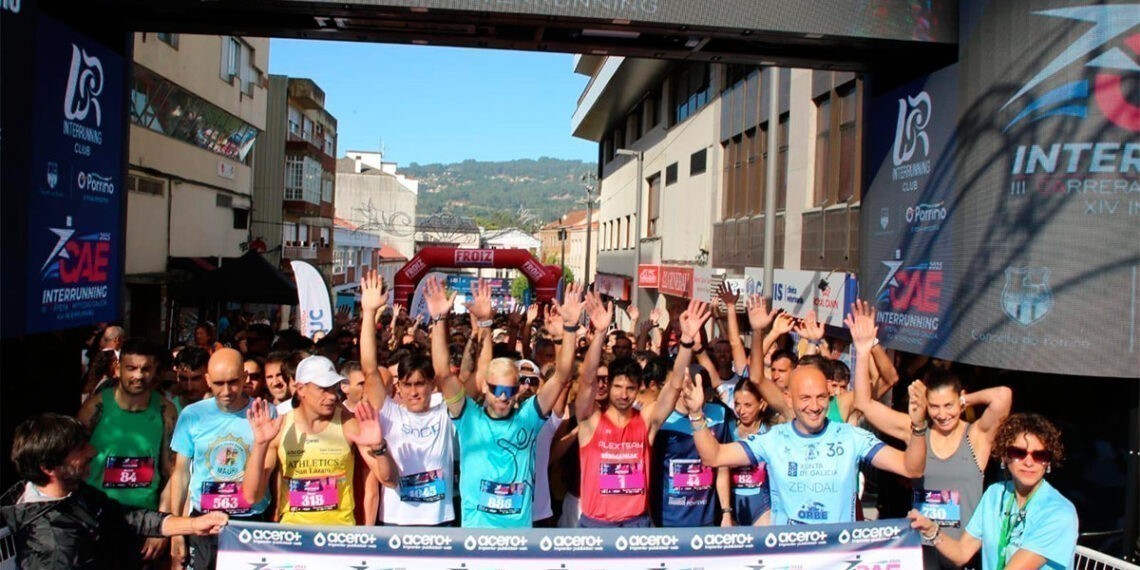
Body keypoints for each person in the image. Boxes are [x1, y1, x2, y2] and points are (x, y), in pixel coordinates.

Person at [686, 340, 929, 525]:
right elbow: (714, 456)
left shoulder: (850, 437)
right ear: (789, 399)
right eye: (805, 398)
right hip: (788, 558)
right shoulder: (774, 439)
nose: (814, 406)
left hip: (838, 559)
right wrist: (696, 414)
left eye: (820, 397)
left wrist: (918, 428)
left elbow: (912, 468)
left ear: (829, 396)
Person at [846, 299, 1013, 568]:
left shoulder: (977, 436)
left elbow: (1003, 396)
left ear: (958, 401)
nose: (942, 414)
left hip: (963, 554)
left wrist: (965, 401)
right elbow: (864, 404)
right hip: (919, 551)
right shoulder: (917, 430)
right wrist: (865, 350)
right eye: (934, 407)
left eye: (948, 406)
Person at [428, 277, 574, 528]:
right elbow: (442, 373)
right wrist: (440, 320)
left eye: (510, 389)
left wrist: (568, 331)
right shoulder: (468, 416)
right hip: (476, 539)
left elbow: (562, 376)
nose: (503, 396)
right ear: (484, 386)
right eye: (496, 389)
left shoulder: (529, 416)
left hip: (519, 543)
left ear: (518, 390)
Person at [0, 414, 229, 570]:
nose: (93, 451)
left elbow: (126, 518)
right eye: (80, 449)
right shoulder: (51, 547)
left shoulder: (74, 493)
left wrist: (194, 524)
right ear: (49, 468)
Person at [578, 296, 712, 528]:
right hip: (596, 526)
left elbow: (673, 386)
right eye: (618, 387)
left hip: (636, 526)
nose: (623, 394)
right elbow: (587, 380)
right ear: (608, 386)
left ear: (638, 388)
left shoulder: (647, 421)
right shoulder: (590, 420)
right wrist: (599, 334)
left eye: (630, 388)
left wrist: (687, 341)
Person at [909, 414, 1078, 570]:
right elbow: (961, 553)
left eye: (1040, 455)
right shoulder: (994, 494)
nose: (1029, 462)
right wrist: (932, 530)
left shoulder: (1060, 512)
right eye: (1018, 452)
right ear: (1005, 456)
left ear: (1048, 462)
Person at [242, 355, 395, 526]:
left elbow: (390, 480)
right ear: (301, 389)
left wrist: (379, 447)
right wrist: (260, 445)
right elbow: (251, 496)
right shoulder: (280, 426)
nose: (332, 396)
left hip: (339, 535)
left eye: (333, 388)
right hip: (294, 536)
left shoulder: (348, 423)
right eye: (323, 388)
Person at [358, 270, 456, 527]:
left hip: (439, 523)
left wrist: (439, 319)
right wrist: (368, 313)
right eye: (408, 385)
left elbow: (445, 372)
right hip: (396, 522)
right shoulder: (390, 412)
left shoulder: (444, 413)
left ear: (431, 385)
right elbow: (369, 369)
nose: (414, 391)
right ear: (398, 387)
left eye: (421, 384)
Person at [76, 337, 178, 562]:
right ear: (118, 369)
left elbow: (173, 473)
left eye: (146, 369)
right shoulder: (96, 407)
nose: (139, 375)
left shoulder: (166, 411)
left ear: (155, 371)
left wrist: (160, 525)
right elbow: (72, 461)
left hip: (142, 522)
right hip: (95, 519)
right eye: (131, 368)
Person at [168, 349, 270, 570]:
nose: (226, 391)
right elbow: (181, 474)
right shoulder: (192, 415)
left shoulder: (265, 412)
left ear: (244, 377)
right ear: (207, 380)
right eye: (218, 383)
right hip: (203, 523)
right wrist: (177, 530)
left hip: (250, 521)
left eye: (233, 382)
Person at [728, 379, 772, 526]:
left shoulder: (770, 431)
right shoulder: (728, 429)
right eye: (737, 404)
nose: (741, 410)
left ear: (762, 404)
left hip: (763, 506)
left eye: (748, 405)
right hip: (733, 506)